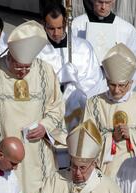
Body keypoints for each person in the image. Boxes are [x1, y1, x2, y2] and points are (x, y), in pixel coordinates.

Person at [0, 20, 65, 193]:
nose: (22, 72)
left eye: (27, 67)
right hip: (2, 147)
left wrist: (45, 127)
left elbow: (56, 106)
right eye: (18, 66)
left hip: (36, 153)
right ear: (9, 55)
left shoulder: (45, 71)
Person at [83, 43, 136, 179]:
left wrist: (132, 134)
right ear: (107, 80)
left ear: (130, 83)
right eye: (112, 84)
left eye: (121, 85)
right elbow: (86, 139)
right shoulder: (94, 104)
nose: (116, 90)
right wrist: (112, 138)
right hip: (107, 169)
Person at [38, 2, 104, 130]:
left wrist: (73, 90)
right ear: (43, 25)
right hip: (50, 110)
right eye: (51, 28)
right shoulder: (38, 51)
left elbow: (95, 78)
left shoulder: (83, 47)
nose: (56, 33)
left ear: (66, 24)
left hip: (80, 108)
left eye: (60, 27)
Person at [72, 0, 136, 89]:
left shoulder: (126, 29)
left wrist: (125, 86)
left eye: (107, 3)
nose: (103, 7)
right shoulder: (77, 25)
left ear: (113, 1)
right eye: (100, 2)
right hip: (83, 85)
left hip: (113, 88)